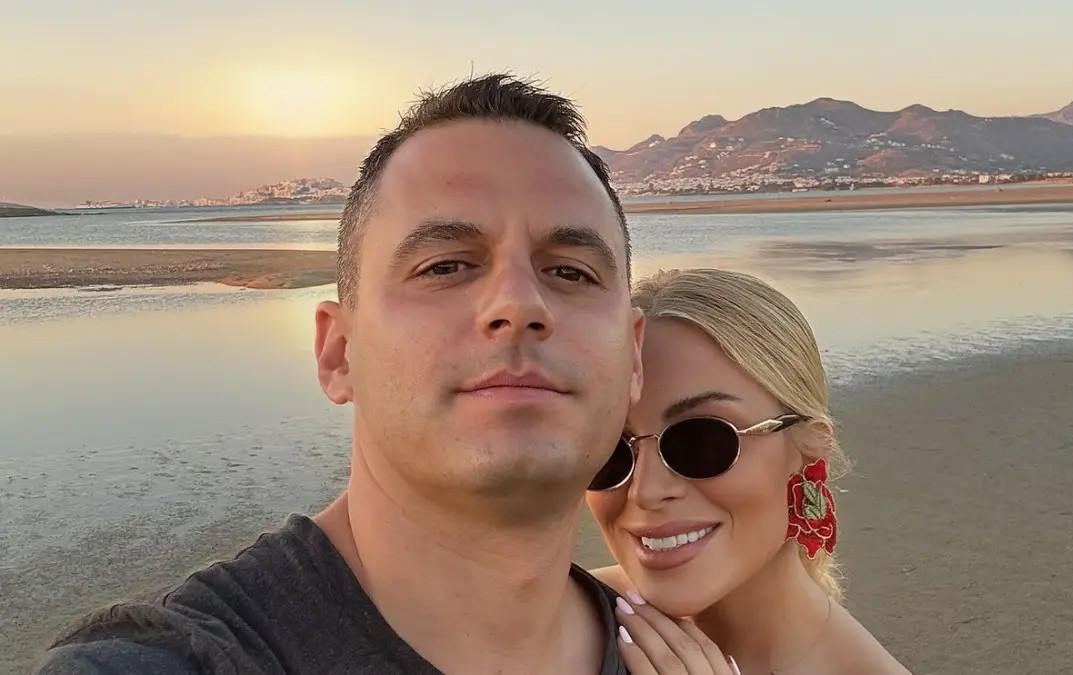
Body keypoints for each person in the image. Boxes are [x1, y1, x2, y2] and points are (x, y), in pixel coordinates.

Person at [32, 74, 645, 675]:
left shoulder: (666, 651)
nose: (519, 304)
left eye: (571, 272)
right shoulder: (176, 659)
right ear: (338, 352)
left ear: (634, 357)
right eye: (445, 266)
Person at [585, 268, 911, 674]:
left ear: (809, 449)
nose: (645, 491)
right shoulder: (559, 619)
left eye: (702, 441)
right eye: (608, 447)